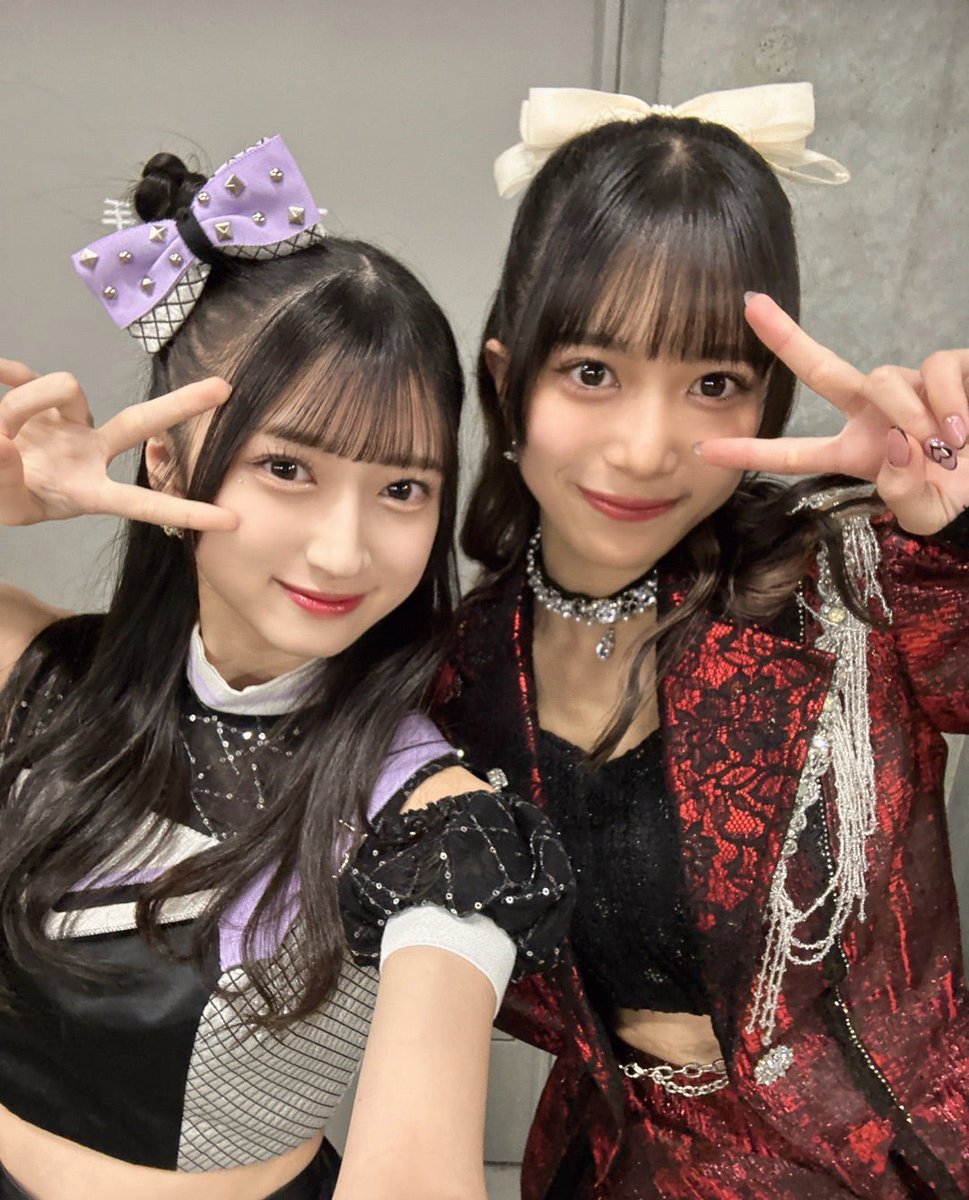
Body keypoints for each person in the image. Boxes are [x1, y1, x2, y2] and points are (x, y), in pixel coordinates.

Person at [0, 136, 573, 1200]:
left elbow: (415, 1174)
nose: (343, 551)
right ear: (165, 460)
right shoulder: (38, 675)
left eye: (401, 489)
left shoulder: (439, 831)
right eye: (287, 467)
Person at [435, 84, 969, 1198]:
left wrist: (961, 518)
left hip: (870, 1171)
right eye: (592, 372)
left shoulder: (853, 579)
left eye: (713, 383)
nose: (644, 449)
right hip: (604, 1168)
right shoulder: (460, 667)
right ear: (506, 377)